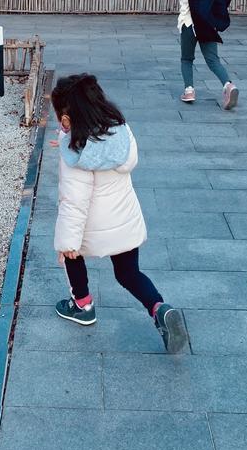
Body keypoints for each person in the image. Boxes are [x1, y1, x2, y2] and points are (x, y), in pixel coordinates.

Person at [50, 74, 187, 354]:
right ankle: (159, 308)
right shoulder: (120, 132)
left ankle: (83, 305)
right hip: (123, 221)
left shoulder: (76, 154)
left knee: (71, 254)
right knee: (128, 274)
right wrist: (65, 137)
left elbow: (74, 202)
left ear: (66, 119)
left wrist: (66, 243)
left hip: (91, 225)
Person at [177, 0, 238, 110]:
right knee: (213, 60)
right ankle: (228, 85)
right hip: (208, 25)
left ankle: (189, 91)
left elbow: (186, 6)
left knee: (186, 59)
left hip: (188, 25)